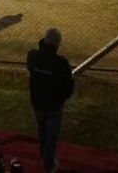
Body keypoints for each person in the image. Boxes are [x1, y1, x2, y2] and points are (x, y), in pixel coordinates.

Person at [27, 28, 75, 173]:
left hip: (37, 103)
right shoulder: (61, 63)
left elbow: (31, 65)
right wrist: (61, 98)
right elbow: (68, 88)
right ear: (57, 44)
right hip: (54, 106)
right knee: (51, 137)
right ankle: (48, 166)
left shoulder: (33, 57)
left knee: (41, 130)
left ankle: (43, 157)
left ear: (44, 41)